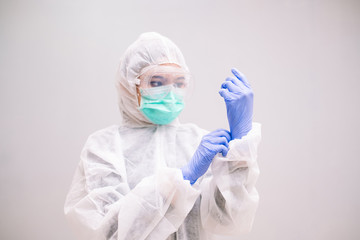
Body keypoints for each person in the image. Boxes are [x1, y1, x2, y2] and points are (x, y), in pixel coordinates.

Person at [64, 32, 261, 240]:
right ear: (129, 86)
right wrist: (183, 179)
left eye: (179, 83)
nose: (170, 93)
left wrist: (239, 149)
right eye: (156, 83)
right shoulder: (104, 147)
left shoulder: (199, 142)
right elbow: (110, 232)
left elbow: (229, 221)